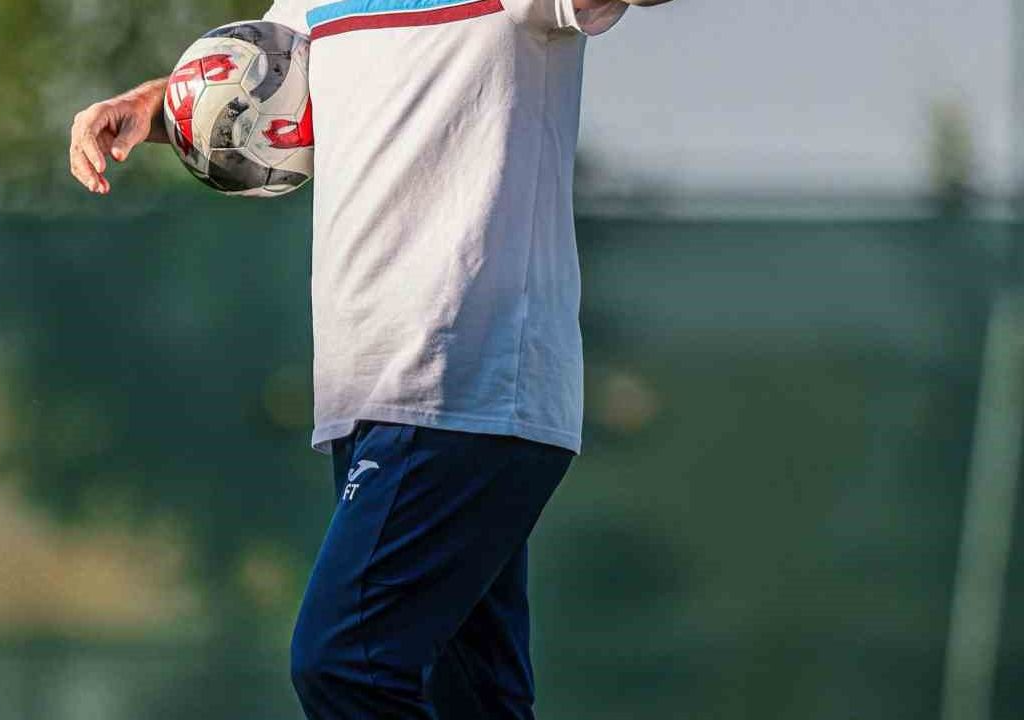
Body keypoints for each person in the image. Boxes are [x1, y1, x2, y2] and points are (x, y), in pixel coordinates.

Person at [69, 0, 674, 716]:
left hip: (459, 383)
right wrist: (154, 105)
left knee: (346, 661)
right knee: (471, 697)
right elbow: (260, 76)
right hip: (369, 394)